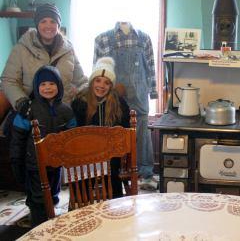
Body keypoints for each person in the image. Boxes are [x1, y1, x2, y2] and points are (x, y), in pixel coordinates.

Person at [9, 66, 77, 227]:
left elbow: (73, 136)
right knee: (38, 197)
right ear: (37, 87)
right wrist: (16, 160)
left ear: (59, 86)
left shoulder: (66, 110)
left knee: (53, 193)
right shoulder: (29, 110)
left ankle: (50, 218)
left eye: (51, 84)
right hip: (35, 164)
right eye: (43, 84)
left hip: (55, 163)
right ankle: (38, 226)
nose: (47, 88)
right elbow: (17, 137)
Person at [94, 22, 158, 190]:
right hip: (113, 96)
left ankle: (145, 174)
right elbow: (97, 70)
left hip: (140, 93)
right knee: (113, 133)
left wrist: (153, 91)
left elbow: (150, 67)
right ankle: (109, 175)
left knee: (142, 134)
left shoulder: (144, 38)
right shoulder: (102, 39)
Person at [1, 3, 87, 117]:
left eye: (53, 21)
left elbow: (82, 81)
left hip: (62, 115)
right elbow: (9, 80)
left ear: (58, 25)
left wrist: (81, 98)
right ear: (37, 25)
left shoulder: (69, 50)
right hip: (31, 113)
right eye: (43, 21)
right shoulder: (22, 48)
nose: (48, 26)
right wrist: (21, 101)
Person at [71, 57, 130, 198]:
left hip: (110, 154)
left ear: (111, 86)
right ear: (92, 81)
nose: (101, 86)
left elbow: (124, 131)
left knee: (112, 177)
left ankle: (115, 206)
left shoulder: (119, 103)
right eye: (98, 80)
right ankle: (80, 205)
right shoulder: (80, 102)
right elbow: (74, 132)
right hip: (85, 155)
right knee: (82, 183)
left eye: (107, 83)